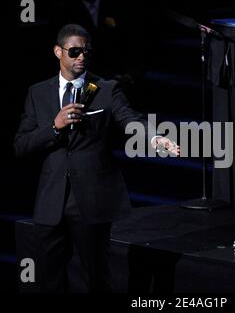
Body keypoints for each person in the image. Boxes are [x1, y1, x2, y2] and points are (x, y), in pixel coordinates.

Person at [14, 24, 178, 292]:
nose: (81, 57)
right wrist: (54, 126)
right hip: (51, 201)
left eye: (86, 52)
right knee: (48, 280)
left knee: (97, 278)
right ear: (58, 52)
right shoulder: (38, 92)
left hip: (91, 201)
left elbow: (130, 119)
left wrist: (153, 137)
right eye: (74, 51)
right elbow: (21, 145)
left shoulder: (105, 89)